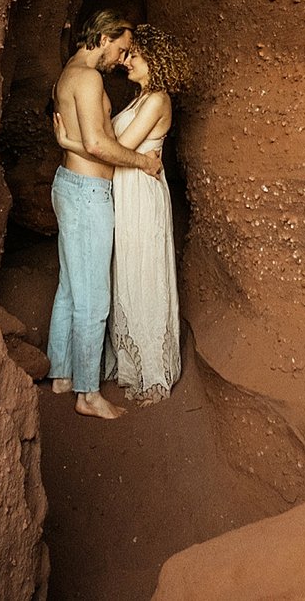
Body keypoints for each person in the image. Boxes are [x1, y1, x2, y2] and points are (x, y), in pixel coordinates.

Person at [46, 10, 162, 420]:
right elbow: (99, 145)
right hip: (88, 194)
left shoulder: (69, 72)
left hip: (69, 185)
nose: (122, 57)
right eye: (122, 47)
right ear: (106, 36)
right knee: (94, 299)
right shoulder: (90, 77)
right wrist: (142, 163)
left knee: (69, 288)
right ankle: (88, 394)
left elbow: (87, 141)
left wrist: (68, 142)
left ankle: (61, 375)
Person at [104, 24, 189, 400]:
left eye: (133, 56)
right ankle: (131, 363)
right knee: (128, 271)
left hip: (142, 194)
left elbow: (118, 144)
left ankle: (153, 371)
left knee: (146, 272)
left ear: (154, 59)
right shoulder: (140, 98)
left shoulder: (157, 100)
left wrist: (97, 139)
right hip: (128, 187)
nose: (127, 63)